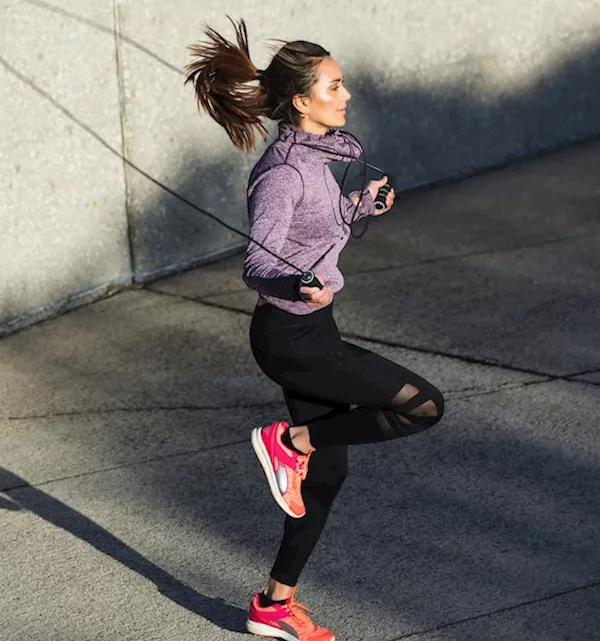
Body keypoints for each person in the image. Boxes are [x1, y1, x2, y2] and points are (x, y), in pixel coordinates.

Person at [186, 19, 446, 641]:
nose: (347, 94)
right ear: (302, 101)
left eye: (343, 83)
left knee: (329, 477)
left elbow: (313, 228)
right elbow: (258, 262)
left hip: (311, 330)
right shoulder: (282, 173)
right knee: (424, 405)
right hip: (293, 339)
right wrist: (291, 284)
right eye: (334, 86)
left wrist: (359, 207)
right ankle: (289, 442)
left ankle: (273, 606)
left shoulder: (317, 161)